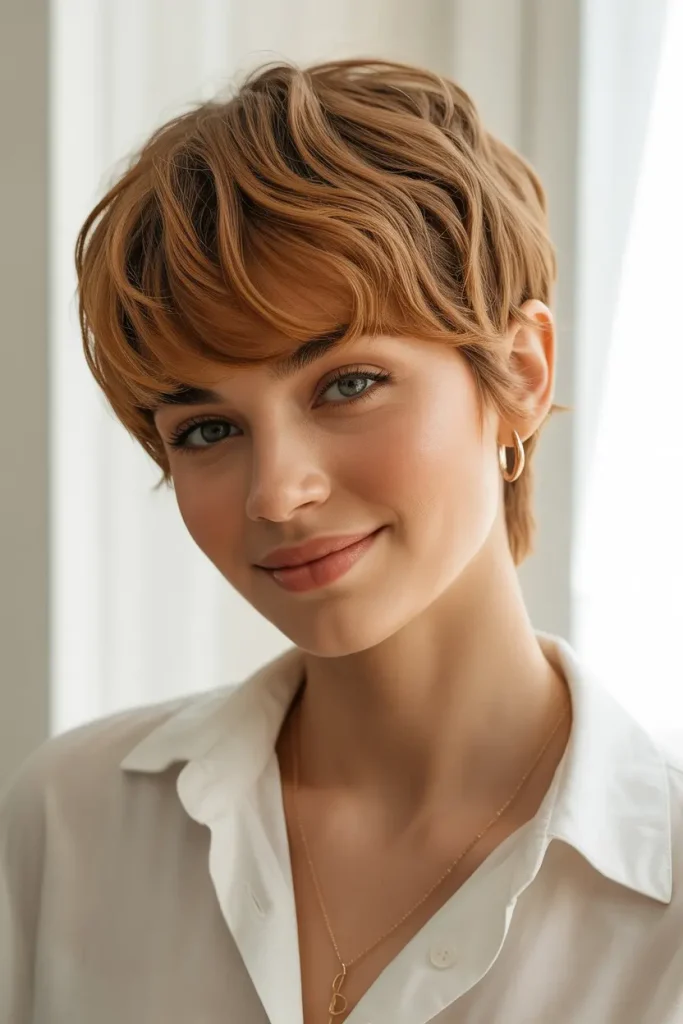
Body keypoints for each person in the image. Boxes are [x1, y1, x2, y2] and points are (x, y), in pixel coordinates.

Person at [1, 56, 682, 1024]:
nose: (277, 493)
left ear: (520, 373)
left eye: (346, 383)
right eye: (206, 430)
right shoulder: (72, 821)